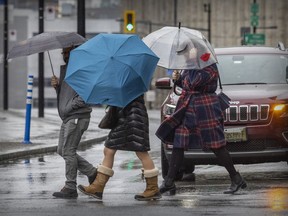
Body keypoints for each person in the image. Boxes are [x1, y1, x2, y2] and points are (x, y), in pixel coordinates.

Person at [156, 63, 247, 195]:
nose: (187, 54)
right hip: (187, 107)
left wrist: (189, 70)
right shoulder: (189, 66)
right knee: (178, 142)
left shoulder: (209, 65)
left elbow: (194, 82)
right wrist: (178, 79)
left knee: (216, 145)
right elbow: (186, 84)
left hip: (206, 108)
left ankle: (236, 178)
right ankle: (169, 182)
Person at [77, 95, 162, 201]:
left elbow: (126, 96)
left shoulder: (130, 80)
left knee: (141, 152)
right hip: (125, 116)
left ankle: (153, 188)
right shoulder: (123, 81)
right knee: (109, 150)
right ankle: (98, 186)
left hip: (133, 117)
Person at [51, 46, 97, 199]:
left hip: (76, 116)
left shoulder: (82, 71)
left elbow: (86, 97)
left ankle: (70, 187)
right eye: (63, 52)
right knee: (61, 150)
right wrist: (58, 87)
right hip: (68, 117)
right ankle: (92, 172)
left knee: (68, 151)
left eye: (68, 52)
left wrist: (69, 107)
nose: (65, 55)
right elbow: (68, 95)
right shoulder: (67, 70)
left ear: (75, 53)